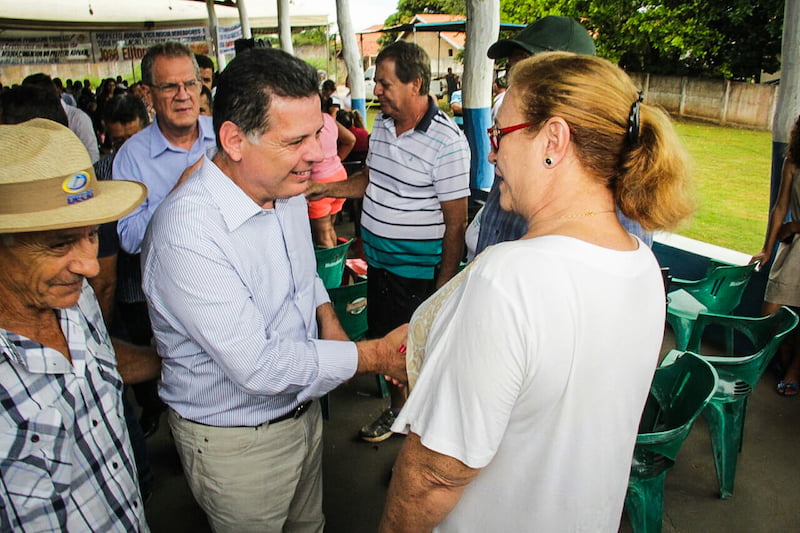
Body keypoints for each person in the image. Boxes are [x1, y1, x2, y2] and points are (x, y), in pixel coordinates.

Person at [379, 51, 695, 532]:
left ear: (554, 139)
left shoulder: (508, 279)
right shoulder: (642, 264)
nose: (491, 154)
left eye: (499, 134)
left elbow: (434, 476)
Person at [140, 47, 408, 532]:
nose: (315, 153)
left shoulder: (282, 187)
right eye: (296, 140)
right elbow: (258, 366)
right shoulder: (188, 233)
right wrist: (373, 357)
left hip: (301, 416)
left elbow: (303, 277)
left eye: (317, 134)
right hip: (239, 443)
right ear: (235, 140)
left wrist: (330, 322)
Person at [0, 118, 160, 531]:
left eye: (90, 234)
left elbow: (93, 362)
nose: (90, 266)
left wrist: (180, 360)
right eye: (58, 244)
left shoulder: (70, 294)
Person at [306, 41, 470, 443]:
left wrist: (443, 290)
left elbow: (457, 222)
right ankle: (397, 414)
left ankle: (422, 439)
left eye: (384, 83)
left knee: (414, 356)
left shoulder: (447, 142)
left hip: (415, 274)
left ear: (416, 84)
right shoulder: (382, 124)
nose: (376, 90)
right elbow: (371, 179)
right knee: (386, 344)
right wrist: (325, 187)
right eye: (375, 82)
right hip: (378, 264)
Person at [467, 15, 652, 260]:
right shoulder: (521, 151)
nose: (513, 86)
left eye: (527, 73)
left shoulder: (609, 210)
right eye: (512, 71)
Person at [113, 41, 216, 437]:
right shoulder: (132, 158)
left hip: (232, 289)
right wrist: (178, 195)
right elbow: (128, 237)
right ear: (149, 94)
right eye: (169, 87)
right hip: (172, 304)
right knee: (189, 395)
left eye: (190, 84)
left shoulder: (225, 137)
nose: (183, 95)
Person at [751, 114, 800, 396]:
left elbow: (789, 220)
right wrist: (767, 249)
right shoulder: (792, 160)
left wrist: (795, 225)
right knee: (770, 312)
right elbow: (780, 208)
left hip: (795, 232)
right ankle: (784, 355)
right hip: (792, 247)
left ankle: (794, 370)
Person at [308, 102, 356, 248]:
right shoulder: (328, 119)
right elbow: (350, 140)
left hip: (319, 184)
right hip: (338, 176)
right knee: (329, 228)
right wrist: (334, 160)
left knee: (322, 235)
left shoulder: (305, 123)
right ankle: (336, 265)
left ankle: (331, 268)